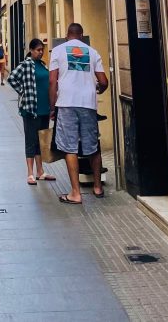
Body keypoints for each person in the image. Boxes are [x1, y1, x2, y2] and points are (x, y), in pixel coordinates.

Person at [49, 23, 109, 204]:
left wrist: (52, 108)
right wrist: (98, 89)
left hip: (66, 103)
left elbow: (53, 82)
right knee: (93, 146)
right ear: (81, 36)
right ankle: (97, 187)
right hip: (88, 104)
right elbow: (104, 81)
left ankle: (75, 193)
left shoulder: (58, 51)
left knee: (70, 148)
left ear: (67, 35)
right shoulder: (92, 52)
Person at [7, 38, 57, 186]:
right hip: (30, 109)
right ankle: (30, 173)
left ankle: (40, 171)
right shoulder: (26, 64)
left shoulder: (42, 65)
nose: (41, 52)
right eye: (38, 50)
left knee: (41, 141)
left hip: (44, 109)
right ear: (31, 50)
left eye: (42, 50)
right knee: (31, 140)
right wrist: (23, 91)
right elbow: (12, 78)